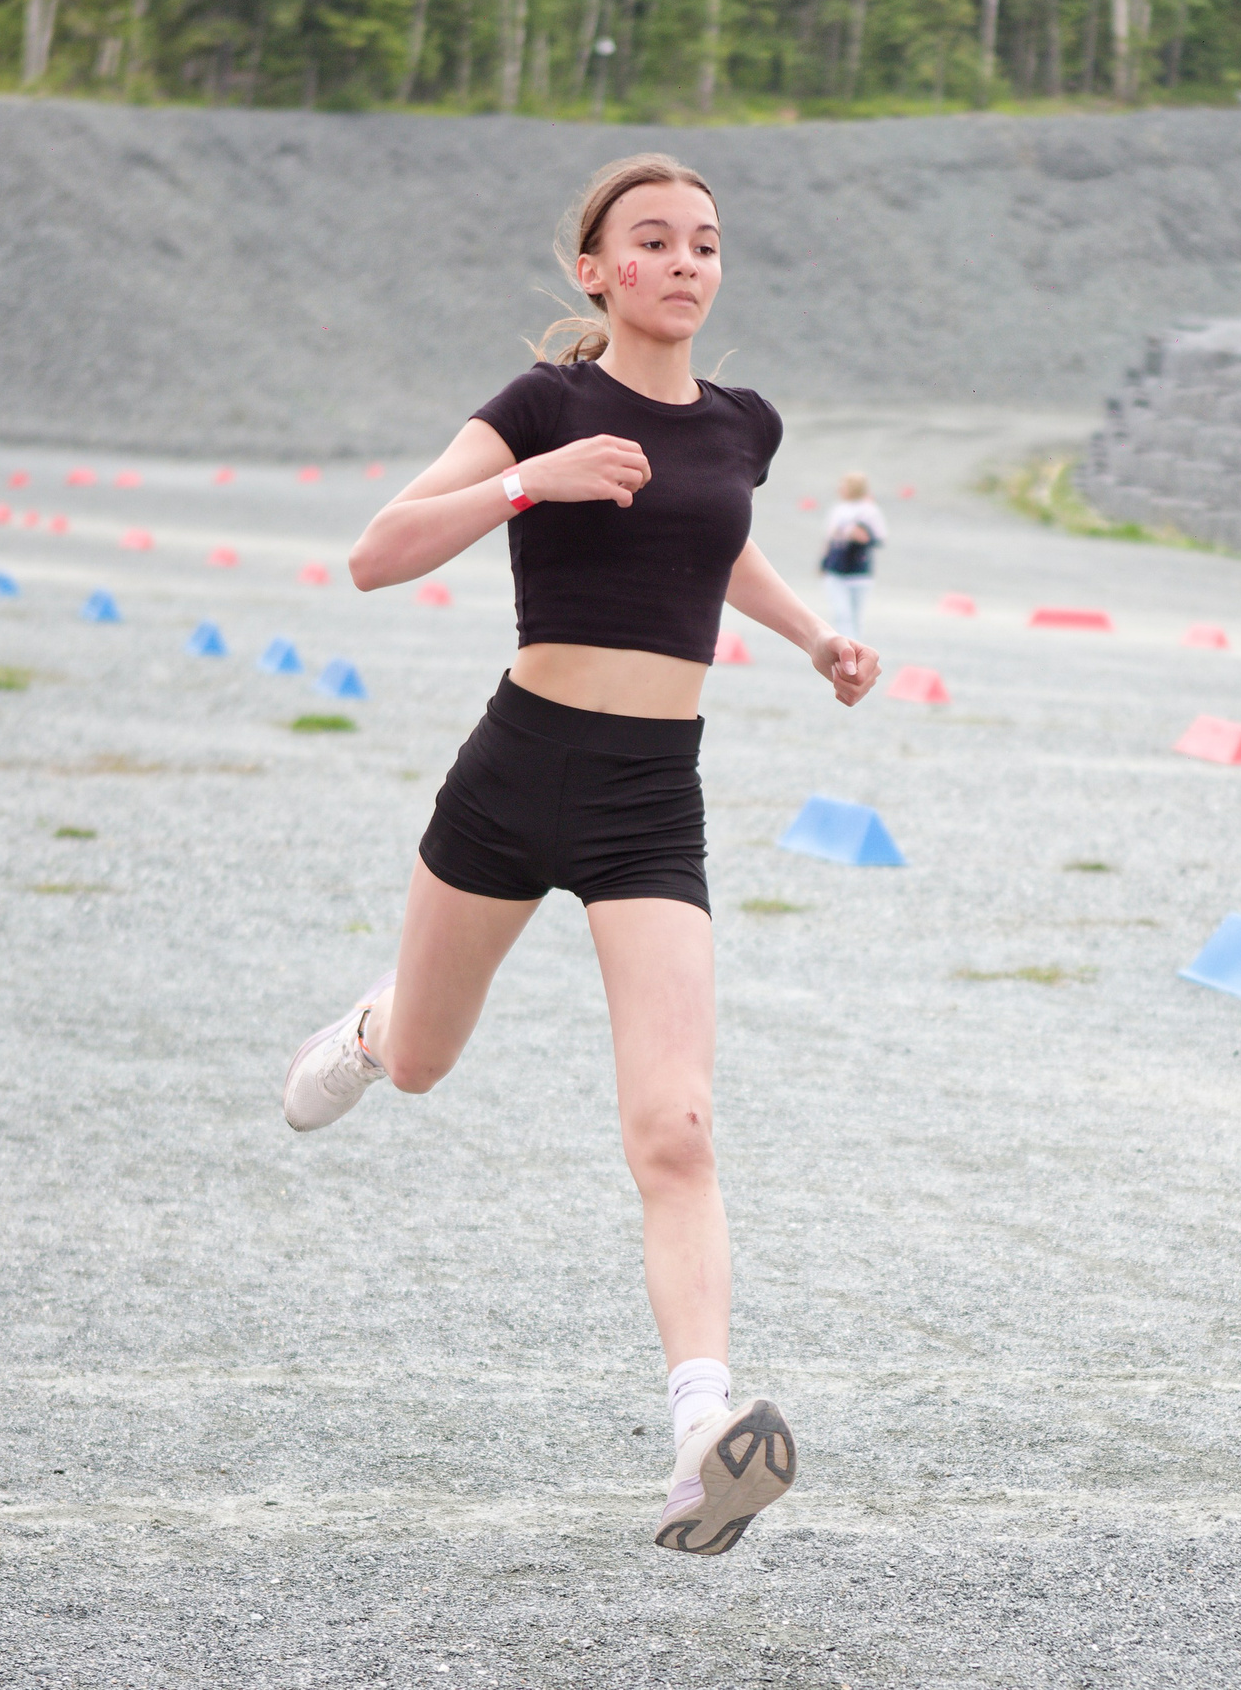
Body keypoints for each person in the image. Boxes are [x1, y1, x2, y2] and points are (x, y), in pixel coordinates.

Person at [278, 152, 879, 1557]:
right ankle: (372, 1024)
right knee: (426, 1057)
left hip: (650, 798)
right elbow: (375, 555)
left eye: (706, 243)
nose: (685, 261)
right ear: (595, 271)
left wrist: (813, 637)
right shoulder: (543, 404)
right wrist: (527, 482)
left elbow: (714, 541)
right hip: (513, 768)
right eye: (653, 241)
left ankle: (701, 1437)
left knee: (675, 1124)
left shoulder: (745, 425)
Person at [818, 471, 886, 639]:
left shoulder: (870, 511)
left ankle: (855, 649)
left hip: (859, 570)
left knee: (855, 617)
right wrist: (823, 563)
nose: (840, 489)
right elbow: (829, 539)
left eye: (844, 486)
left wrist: (863, 537)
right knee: (841, 614)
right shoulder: (838, 509)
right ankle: (845, 648)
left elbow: (880, 538)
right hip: (836, 568)